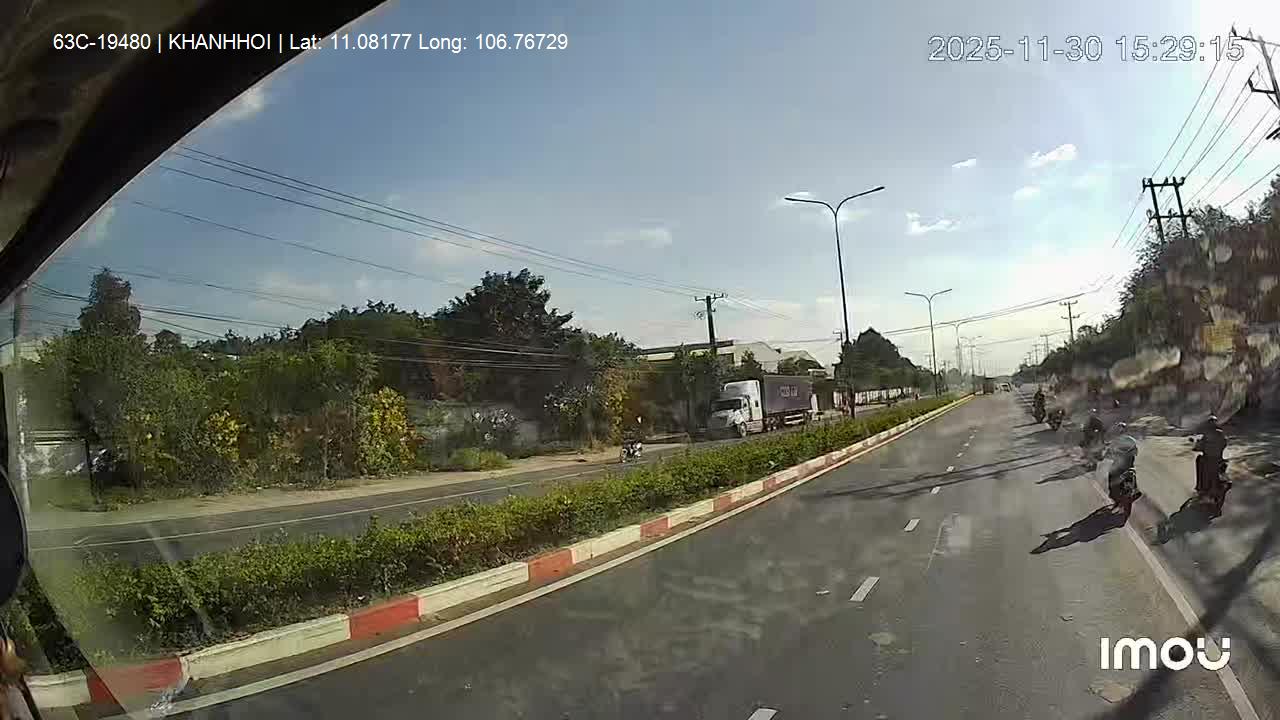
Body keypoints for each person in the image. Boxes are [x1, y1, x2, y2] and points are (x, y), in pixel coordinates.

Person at [1193, 415, 1228, 496]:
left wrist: (1197, 447)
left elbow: (1200, 446)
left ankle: (1201, 487)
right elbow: (1224, 444)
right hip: (1219, 458)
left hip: (1208, 458)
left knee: (1199, 461)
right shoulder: (1221, 433)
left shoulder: (1207, 434)